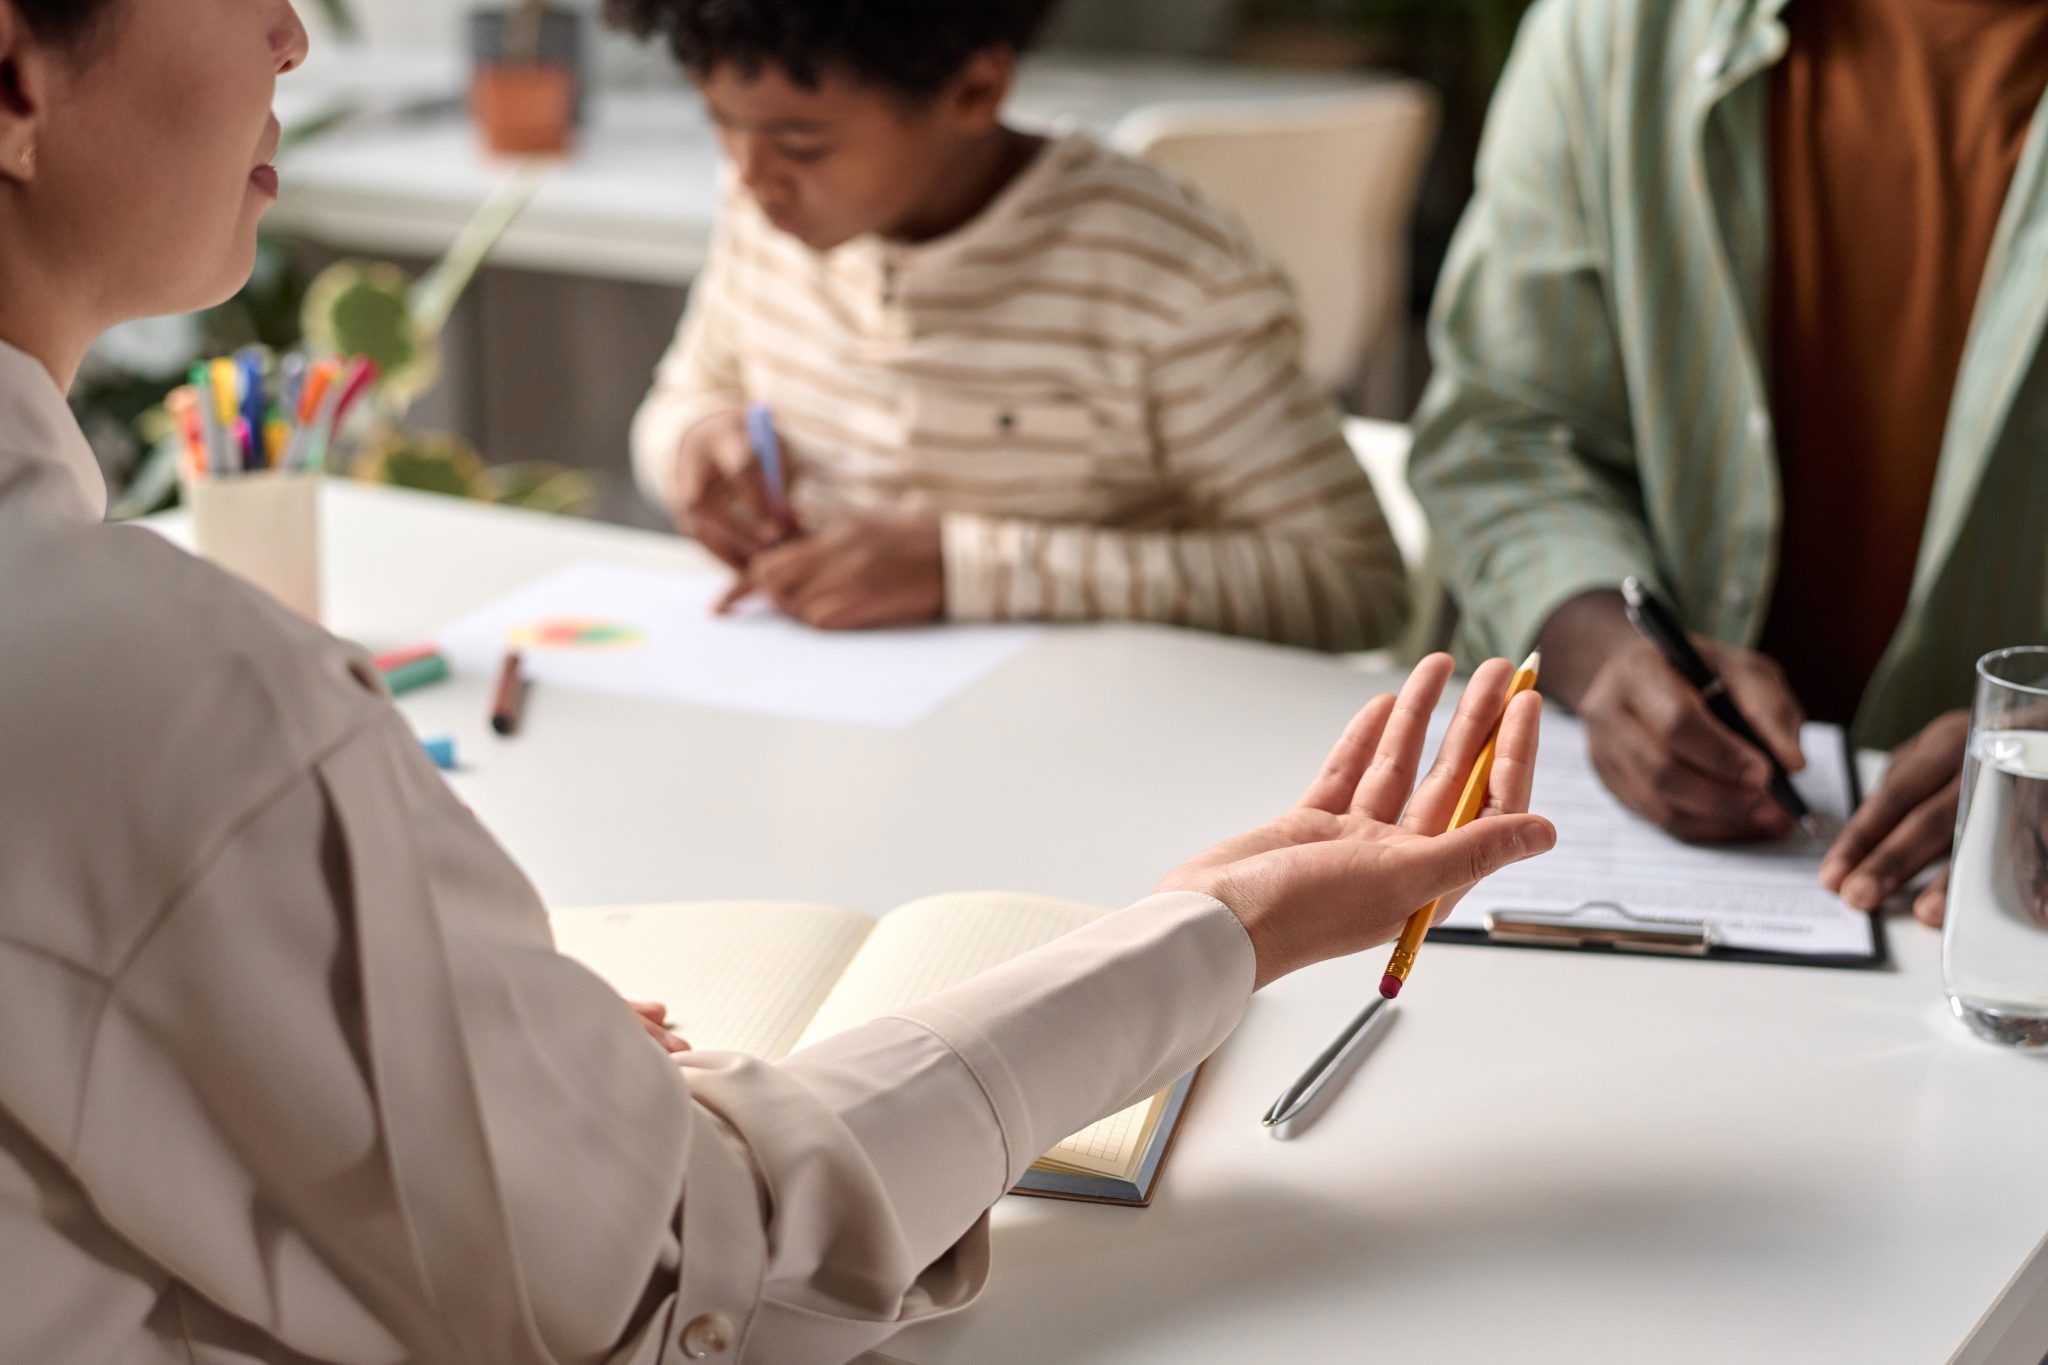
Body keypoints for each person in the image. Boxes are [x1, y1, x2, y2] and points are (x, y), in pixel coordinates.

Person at [0, 2, 1555, 1360]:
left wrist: (454, 1042)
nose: (296, 30)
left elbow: (1341, 573)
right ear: (14, 74)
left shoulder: (1151, 266)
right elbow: (682, 1269)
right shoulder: (186, 704)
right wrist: (1221, 933)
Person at [1408, 0, 2048, 927]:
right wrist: (1608, 657)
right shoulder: (1619, 28)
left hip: (1990, 939)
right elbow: (1502, 431)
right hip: (1624, 893)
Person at [613, 0, 1410, 651]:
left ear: (974, 91)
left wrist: (963, 568)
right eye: (721, 122)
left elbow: (1352, 585)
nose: (752, 178)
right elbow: (688, 393)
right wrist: (692, 439)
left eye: (802, 143)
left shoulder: (1166, 275)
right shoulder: (770, 216)